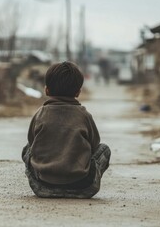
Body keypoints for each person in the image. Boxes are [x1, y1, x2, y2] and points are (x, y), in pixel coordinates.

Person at [22, 61, 111, 198]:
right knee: (104, 149)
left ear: (46, 90)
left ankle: (51, 186)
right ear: (78, 92)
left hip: (42, 187)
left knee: (27, 149)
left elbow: (32, 142)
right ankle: (75, 185)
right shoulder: (84, 115)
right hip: (83, 187)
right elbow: (94, 145)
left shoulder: (40, 114)